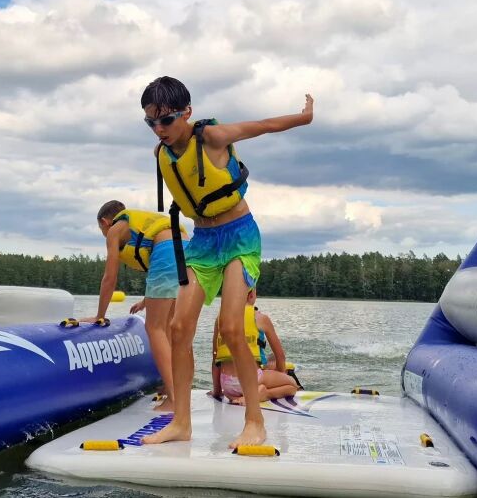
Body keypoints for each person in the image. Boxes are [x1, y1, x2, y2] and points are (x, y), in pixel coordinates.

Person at [139, 76, 313, 449]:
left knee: (233, 328)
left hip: (238, 236)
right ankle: (181, 423)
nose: (159, 129)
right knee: (179, 328)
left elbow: (264, 126)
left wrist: (304, 117)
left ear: (187, 112)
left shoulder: (212, 138)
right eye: (150, 122)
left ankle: (254, 421)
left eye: (166, 120)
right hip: (203, 242)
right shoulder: (161, 154)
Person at [86, 201, 185, 411]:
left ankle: (175, 400)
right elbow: (162, 267)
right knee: (168, 328)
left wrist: (99, 316)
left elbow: (109, 278)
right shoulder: (138, 223)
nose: (104, 234)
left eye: (101, 229)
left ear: (105, 222)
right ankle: (172, 387)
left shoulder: (115, 230)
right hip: (187, 247)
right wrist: (146, 301)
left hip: (167, 250)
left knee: (154, 328)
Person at [210, 290, 297, 405]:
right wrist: (280, 376)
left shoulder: (220, 319)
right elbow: (280, 356)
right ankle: (264, 394)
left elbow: (215, 358)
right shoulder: (261, 318)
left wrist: (217, 391)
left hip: (227, 386)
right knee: (292, 385)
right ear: (251, 295)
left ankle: (242, 395)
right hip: (252, 380)